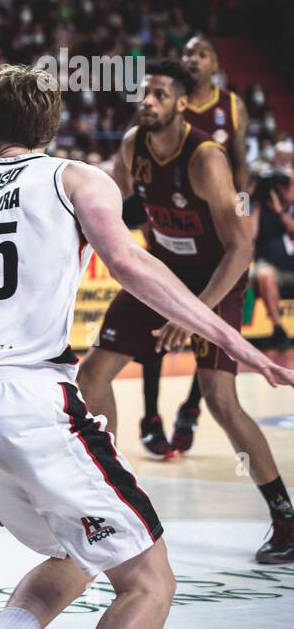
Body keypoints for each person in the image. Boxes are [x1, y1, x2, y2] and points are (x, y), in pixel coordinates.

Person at [0, 64, 294, 629]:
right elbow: (128, 263)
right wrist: (232, 338)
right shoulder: (75, 178)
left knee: (75, 554)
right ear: (49, 126)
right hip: (28, 402)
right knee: (149, 581)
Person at [78, 60, 293, 565]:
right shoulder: (133, 144)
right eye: (144, 93)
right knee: (91, 373)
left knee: (220, 398)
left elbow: (240, 248)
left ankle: (284, 514)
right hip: (160, 272)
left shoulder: (205, 158)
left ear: (180, 103)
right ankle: (111, 490)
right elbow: (106, 202)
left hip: (215, 278)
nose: (147, 100)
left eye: (158, 94)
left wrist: (193, 313)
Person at [138, 35, 251, 454]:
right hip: (170, 219)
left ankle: (191, 407)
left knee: (206, 327)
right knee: (156, 319)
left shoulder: (232, 106)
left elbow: (240, 164)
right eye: (188, 53)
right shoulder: (161, 111)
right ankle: (150, 414)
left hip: (214, 223)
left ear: (216, 63)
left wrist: (243, 210)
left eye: (201, 53)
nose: (192, 59)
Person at [250, 171, 294, 347]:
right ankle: (277, 329)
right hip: (270, 267)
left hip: (291, 268)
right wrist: (250, 193)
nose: (284, 189)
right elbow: (247, 235)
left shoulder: (288, 210)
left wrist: (280, 211)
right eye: (281, 185)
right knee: (265, 274)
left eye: (287, 185)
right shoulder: (252, 205)